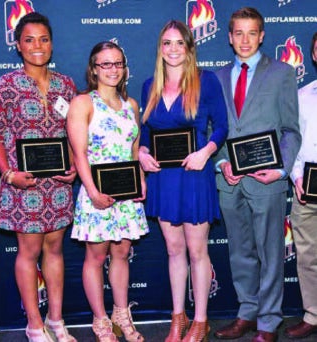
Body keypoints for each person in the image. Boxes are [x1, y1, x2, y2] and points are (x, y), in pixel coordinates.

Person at [0, 13, 77, 342]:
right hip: (23, 184)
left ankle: (56, 321)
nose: (37, 46)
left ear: (51, 44)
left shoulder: (66, 85)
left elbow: (74, 133)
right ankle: (34, 325)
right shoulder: (3, 86)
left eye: (43, 39)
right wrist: (9, 174)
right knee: (29, 252)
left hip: (58, 185)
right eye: (29, 40)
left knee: (55, 250)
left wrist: (74, 167)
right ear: (18, 45)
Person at [213, 7, 301, 342]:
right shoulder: (216, 77)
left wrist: (280, 170)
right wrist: (222, 163)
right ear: (230, 36)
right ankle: (247, 312)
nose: (245, 39)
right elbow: (213, 130)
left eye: (252, 33)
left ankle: (268, 321)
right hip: (229, 181)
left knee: (270, 252)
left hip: (267, 181)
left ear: (262, 35)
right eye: (239, 33)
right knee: (239, 251)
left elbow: (291, 130)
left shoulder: (281, 73)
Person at [138, 20, 228, 342]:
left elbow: (221, 126)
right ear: (160, 48)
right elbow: (146, 130)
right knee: (174, 250)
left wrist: (207, 151)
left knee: (196, 250)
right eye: (167, 43)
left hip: (194, 173)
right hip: (163, 177)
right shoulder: (150, 85)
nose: (173, 49)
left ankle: (201, 322)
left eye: (179, 43)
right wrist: (143, 152)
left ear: (190, 47)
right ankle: (178, 318)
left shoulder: (206, 82)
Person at [67, 41, 149, 342]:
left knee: (122, 253)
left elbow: (133, 149)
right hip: (96, 193)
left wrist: (140, 179)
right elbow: (79, 154)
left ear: (125, 68)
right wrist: (91, 192)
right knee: (96, 257)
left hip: (126, 194)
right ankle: (100, 321)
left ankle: (121, 313)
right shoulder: (83, 103)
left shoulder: (132, 105)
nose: (112, 69)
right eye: (105, 64)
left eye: (117, 63)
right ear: (94, 69)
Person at [284, 32, 317, 339]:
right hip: (307, 189)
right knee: (307, 255)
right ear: (314, 54)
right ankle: (313, 314)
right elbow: (293, 141)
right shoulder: (302, 96)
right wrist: (295, 177)